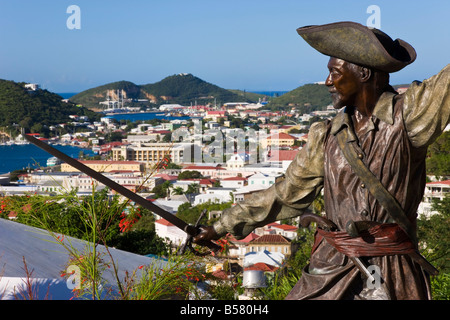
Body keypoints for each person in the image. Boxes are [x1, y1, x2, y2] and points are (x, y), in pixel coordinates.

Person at [193, 21, 450, 300]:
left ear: (363, 73)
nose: (327, 82)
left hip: (393, 271)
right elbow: (286, 194)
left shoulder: (409, 116)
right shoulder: (326, 136)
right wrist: (221, 225)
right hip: (331, 269)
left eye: (334, 73)